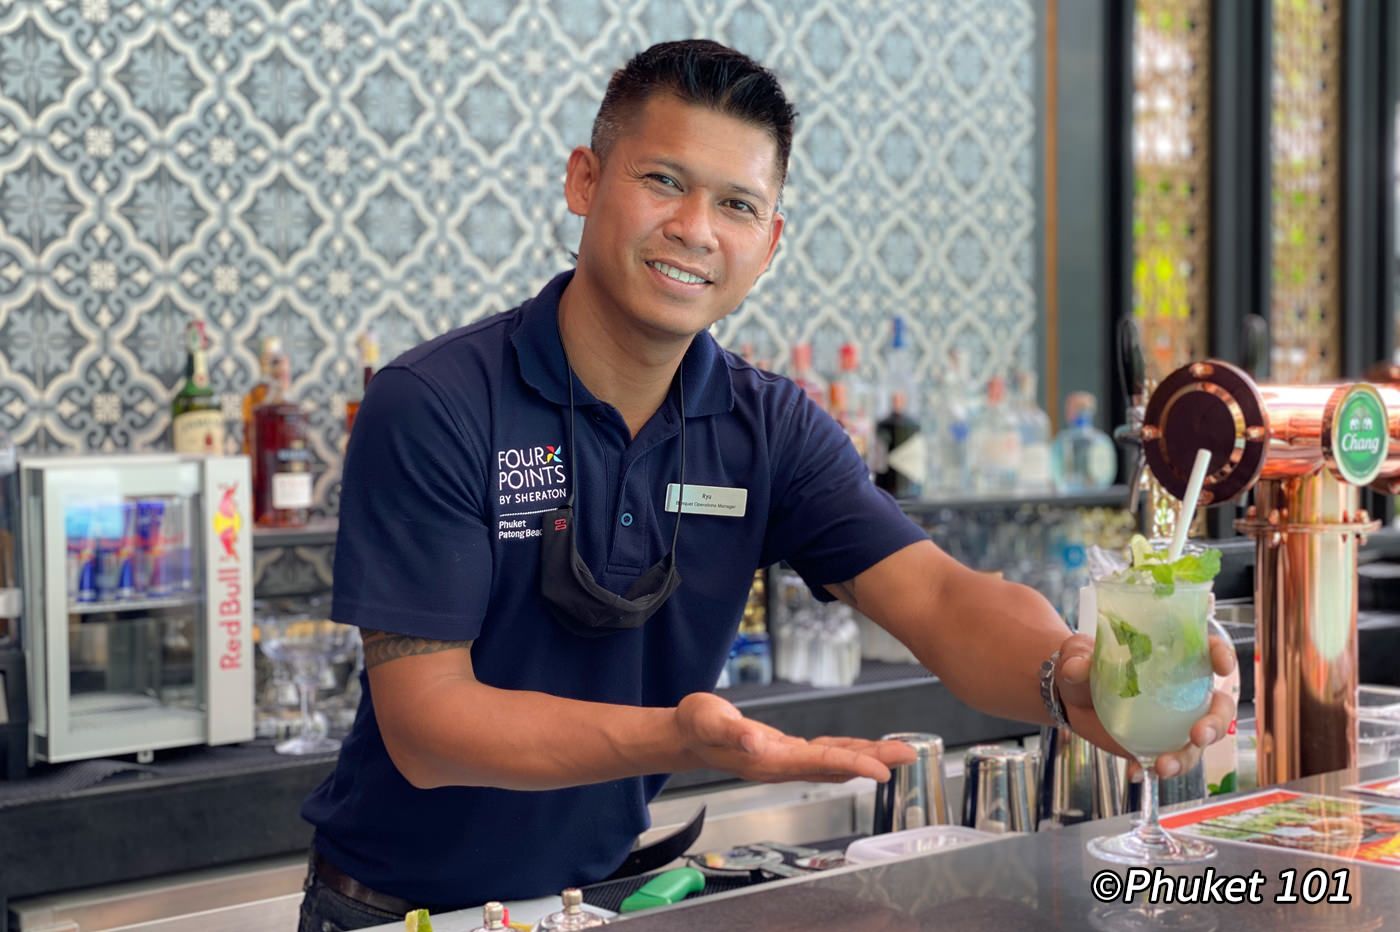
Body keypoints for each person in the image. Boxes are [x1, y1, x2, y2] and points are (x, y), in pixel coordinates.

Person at [298, 39, 1235, 931]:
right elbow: (428, 726)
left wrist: (1071, 672)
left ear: (772, 240)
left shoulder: (766, 426)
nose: (695, 230)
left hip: (595, 902)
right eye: (663, 180)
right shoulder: (439, 403)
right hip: (398, 912)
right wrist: (679, 739)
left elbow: (939, 594)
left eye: (738, 205)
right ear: (585, 180)